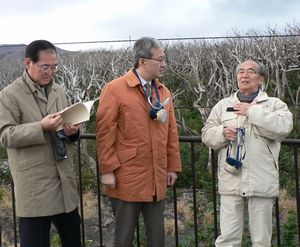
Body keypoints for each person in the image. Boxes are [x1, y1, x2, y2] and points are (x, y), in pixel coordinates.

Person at [96, 37, 182, 247]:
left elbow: (171, 132)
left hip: (156, 175)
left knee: (157, 237)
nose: (164, 64)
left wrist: (172, 167)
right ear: (142, 61)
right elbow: (105, 131)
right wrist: (107, 170)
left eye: (165, 59)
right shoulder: (115, 89)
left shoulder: (163, 92)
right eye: (160, 59)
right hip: (126, 176)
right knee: (124, 237)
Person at [201, 60, 293, 246]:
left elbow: (283, 128)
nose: (245, 75)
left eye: (251, 72)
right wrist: (222, 133)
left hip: (261, 181)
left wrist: (252, 111)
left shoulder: (275, 104)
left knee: (261, 241)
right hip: (230, 180)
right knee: (227, 239)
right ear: (236, 78)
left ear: (260, 79)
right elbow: (206, 133)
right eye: (241, 72)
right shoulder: (223, 105)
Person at [0, 40, 82, 247]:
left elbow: (64, 127)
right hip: (34, 185)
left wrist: (73, 132)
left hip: (63, 179)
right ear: (28, 63)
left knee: (73, 241)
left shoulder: (59, 91)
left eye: (54, 67)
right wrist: (41, 127)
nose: (51, 72)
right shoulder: (10, 94)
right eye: (45, 66)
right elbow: (6, 135)